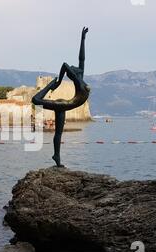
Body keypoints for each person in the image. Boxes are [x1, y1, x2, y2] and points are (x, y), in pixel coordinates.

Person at [32, 27, 91, 167]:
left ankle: (56, 156)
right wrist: (57, 82)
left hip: (65, 105)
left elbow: (81, 58)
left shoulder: (80, 78)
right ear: (74, 74)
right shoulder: (77, 79)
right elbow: (65, 65)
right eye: (73, 68)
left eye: (74, 67)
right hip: (64, 104)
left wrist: (83, 38)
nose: (74, 66)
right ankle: (49, 85)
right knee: (35, 100)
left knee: (58, 133)